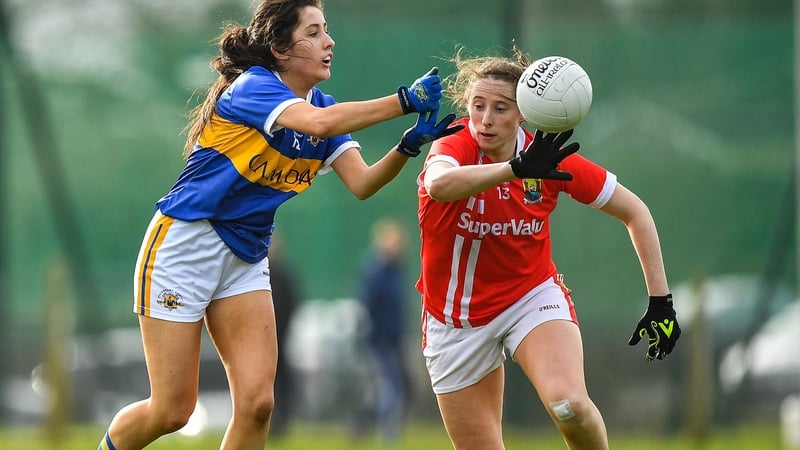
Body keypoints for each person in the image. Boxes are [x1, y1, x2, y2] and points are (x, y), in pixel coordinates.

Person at [95, 1, 462, 449]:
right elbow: (318, 124)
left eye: (326, 30)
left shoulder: (323, 107)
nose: (328, 42)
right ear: (279, 48)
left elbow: (362, 183)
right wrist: (403, 101)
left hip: (246, 256)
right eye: (313, 32)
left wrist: (406, 147)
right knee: (172, 411)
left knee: (258, 404)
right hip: (185, 245)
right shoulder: (253, 86)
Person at [414, 45, 681, 450]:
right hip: (454, 318)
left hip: (529, 297)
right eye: (478, 105)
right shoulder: (456, 143)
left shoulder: (547, 157)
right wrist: (514, 170)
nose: (485, 119)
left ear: (523, 112)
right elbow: (438, 185)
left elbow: (635, 212)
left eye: (500, 108)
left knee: (569, 405)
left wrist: (661, 300)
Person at [352, 217, 413, 445]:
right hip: (379, 341)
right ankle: (388, 436)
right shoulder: (375, 271)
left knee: (381, 390)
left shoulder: (397, 271)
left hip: (395, 340)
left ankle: (359, 427)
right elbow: (367, 306)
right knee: (390, 387)